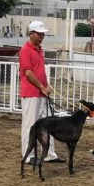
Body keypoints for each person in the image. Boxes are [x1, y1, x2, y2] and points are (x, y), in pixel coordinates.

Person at [19, 20, 61, 163]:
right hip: (31, 93)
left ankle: (49, 154)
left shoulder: (39, 49)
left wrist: (46, 86)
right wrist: (42, 87)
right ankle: (28, 155)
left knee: (48, 124)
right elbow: (29, 73)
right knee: (30, 125)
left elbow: (39, 71)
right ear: (31, 33)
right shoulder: (25, 50)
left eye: (42, 33)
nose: (42, 36)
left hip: (41, 92)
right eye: (39, 33)